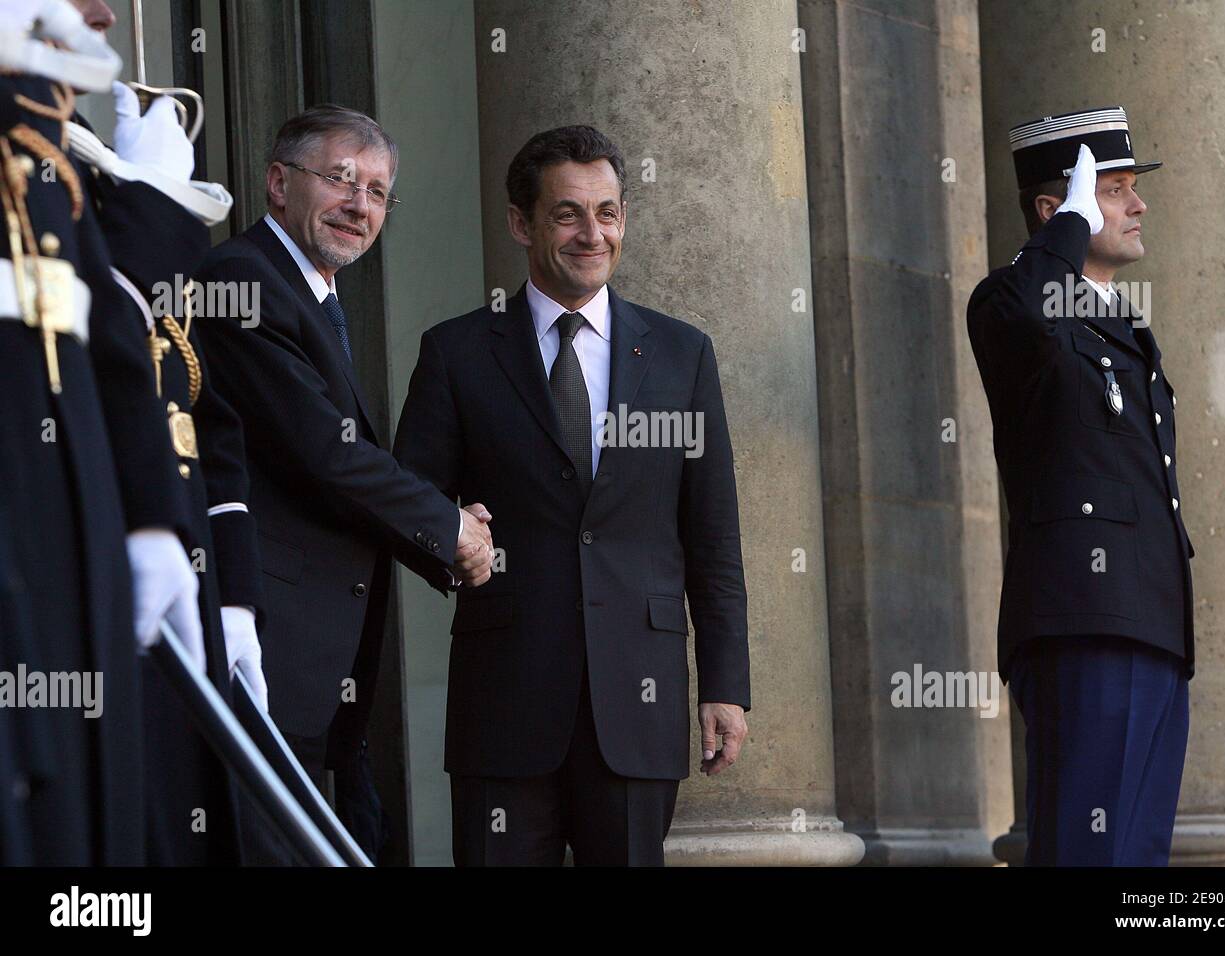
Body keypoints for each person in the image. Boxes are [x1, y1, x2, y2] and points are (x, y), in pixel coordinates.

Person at [393, 124, 751, 866]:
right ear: (523, 223)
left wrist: (725, 685)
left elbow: (712, 534)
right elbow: (408, 498)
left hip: (638, 699)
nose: (593, 233)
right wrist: (451, 538)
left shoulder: (682, 355)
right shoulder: (457, 352)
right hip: (505, 699)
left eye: (608, 212)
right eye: (567, 213)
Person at [195, 105, 493, 862]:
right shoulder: (243, 280)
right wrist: (448, 529)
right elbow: (326, 458)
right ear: (277, 183)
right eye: (341, 179)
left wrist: (444, 525)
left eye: (379, 191)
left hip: (323, 667)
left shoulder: (315, 298)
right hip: (264, 642)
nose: (361, 206)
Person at [0, 0, 206, 864]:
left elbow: (115, 343)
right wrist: (155, 199)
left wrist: (151, 521)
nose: (102, 12)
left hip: (73, 540)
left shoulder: (41, 136)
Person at [65, 0, 268, 864]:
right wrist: (152, 197)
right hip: (80, 578)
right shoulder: (43, 172)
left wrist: (235, 598)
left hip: (179, 579)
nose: (105, 11)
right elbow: (105, 311)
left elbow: (203, 419)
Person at [966, 106, 1195, 865]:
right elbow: (1027, 315)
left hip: (1153, 626)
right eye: (1115, 188)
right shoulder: (1013, 302)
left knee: (1136, 864)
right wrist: (1064, 225)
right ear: (1053, 208)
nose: (1138, 204)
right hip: (1086, 622)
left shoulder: (1122, 328)